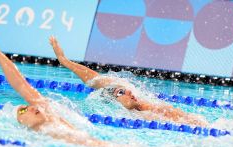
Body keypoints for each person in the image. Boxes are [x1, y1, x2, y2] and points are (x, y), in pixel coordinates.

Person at [0, 23, 122, 147]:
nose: (32, 107)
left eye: (28, 105)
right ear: (20, 123)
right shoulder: (35, 140)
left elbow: (20, 83)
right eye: (23, 110)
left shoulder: (51, 119)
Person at [49, 37, 209, 127]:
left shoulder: (136, 99)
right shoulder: (142, 118)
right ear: (114, 103)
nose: (128, 91)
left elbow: (93, 79)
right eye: (121, 93)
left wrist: (65, 61)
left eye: (123, 89)